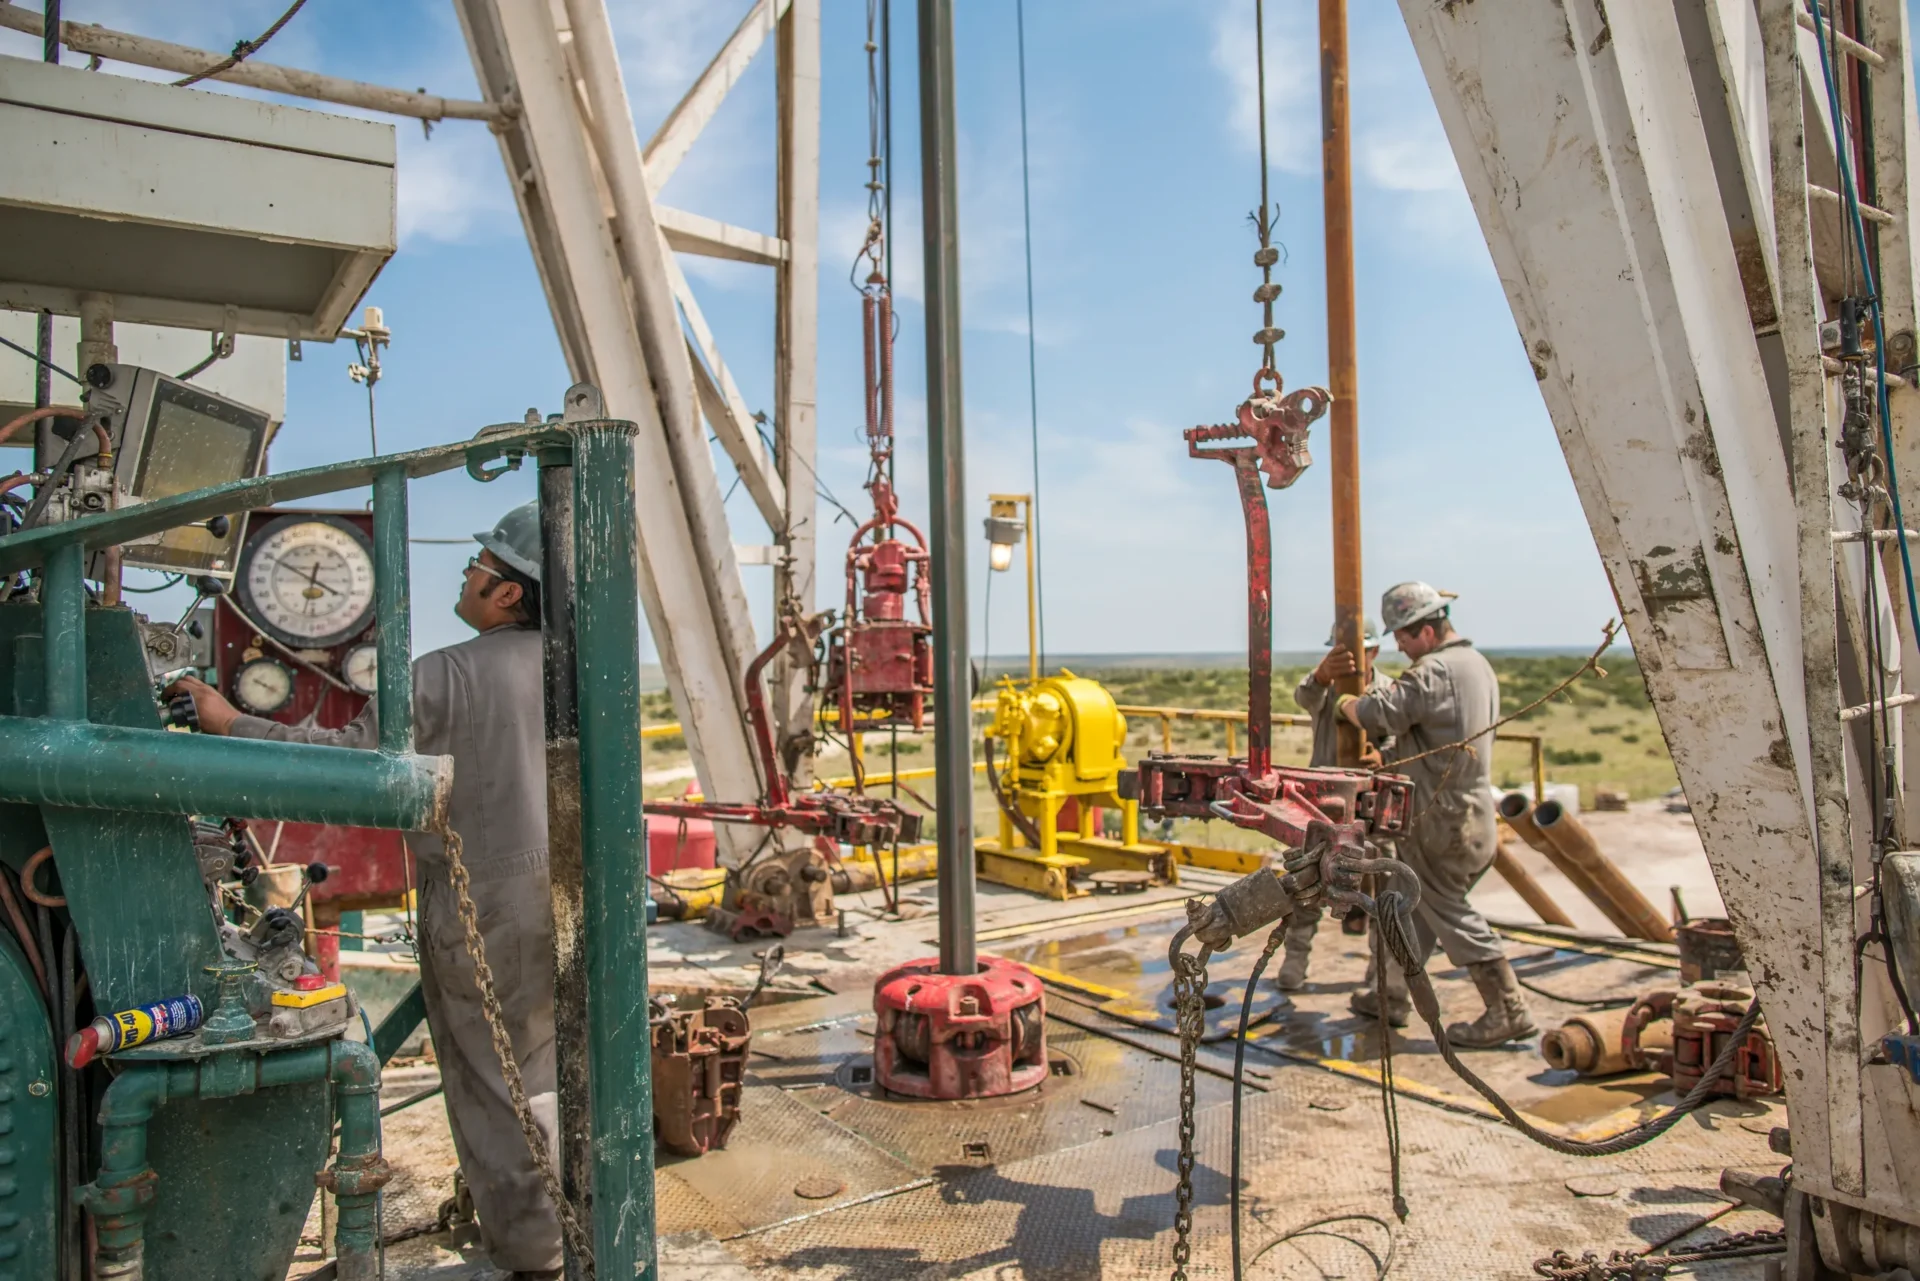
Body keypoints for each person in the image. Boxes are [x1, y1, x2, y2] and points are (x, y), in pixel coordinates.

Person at [168, 501, 562, 1281]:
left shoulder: (448, 672)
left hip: (485, 906)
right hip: (576, 897)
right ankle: (576, 1228)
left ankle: (533, 1254)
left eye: (481, 563)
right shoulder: (579, 666)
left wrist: (225, 721)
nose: (468, 570)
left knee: (493, 1077)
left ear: (510, 591)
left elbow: (349, 767)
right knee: (554, 1068)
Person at [1333, 581, 1537, 1048]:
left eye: (1402, 637)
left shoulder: (1434, 671)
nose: (1398, 647)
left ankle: (1507, 1008)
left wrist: (1344, 702)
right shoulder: (1476, 666)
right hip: (1469, 812)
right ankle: (1391, 995)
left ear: (1425, 630)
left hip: (1441, 820)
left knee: (1448, 910)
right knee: (1411, 910)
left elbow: (1378, 711)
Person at [1278, 616, 1390, 991]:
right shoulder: (1323, 690)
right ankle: (1294, 962)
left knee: (1382, 890)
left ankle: (1380, 977)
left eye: (1361, 653)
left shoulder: (1389, 692)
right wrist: (1323, 674)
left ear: (1374, 651)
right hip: (1324, 807)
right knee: (1308, 884)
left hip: (1372, 806)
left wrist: (1384, 757)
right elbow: (1303, 696)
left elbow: (1402, 736)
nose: (1355, 663)